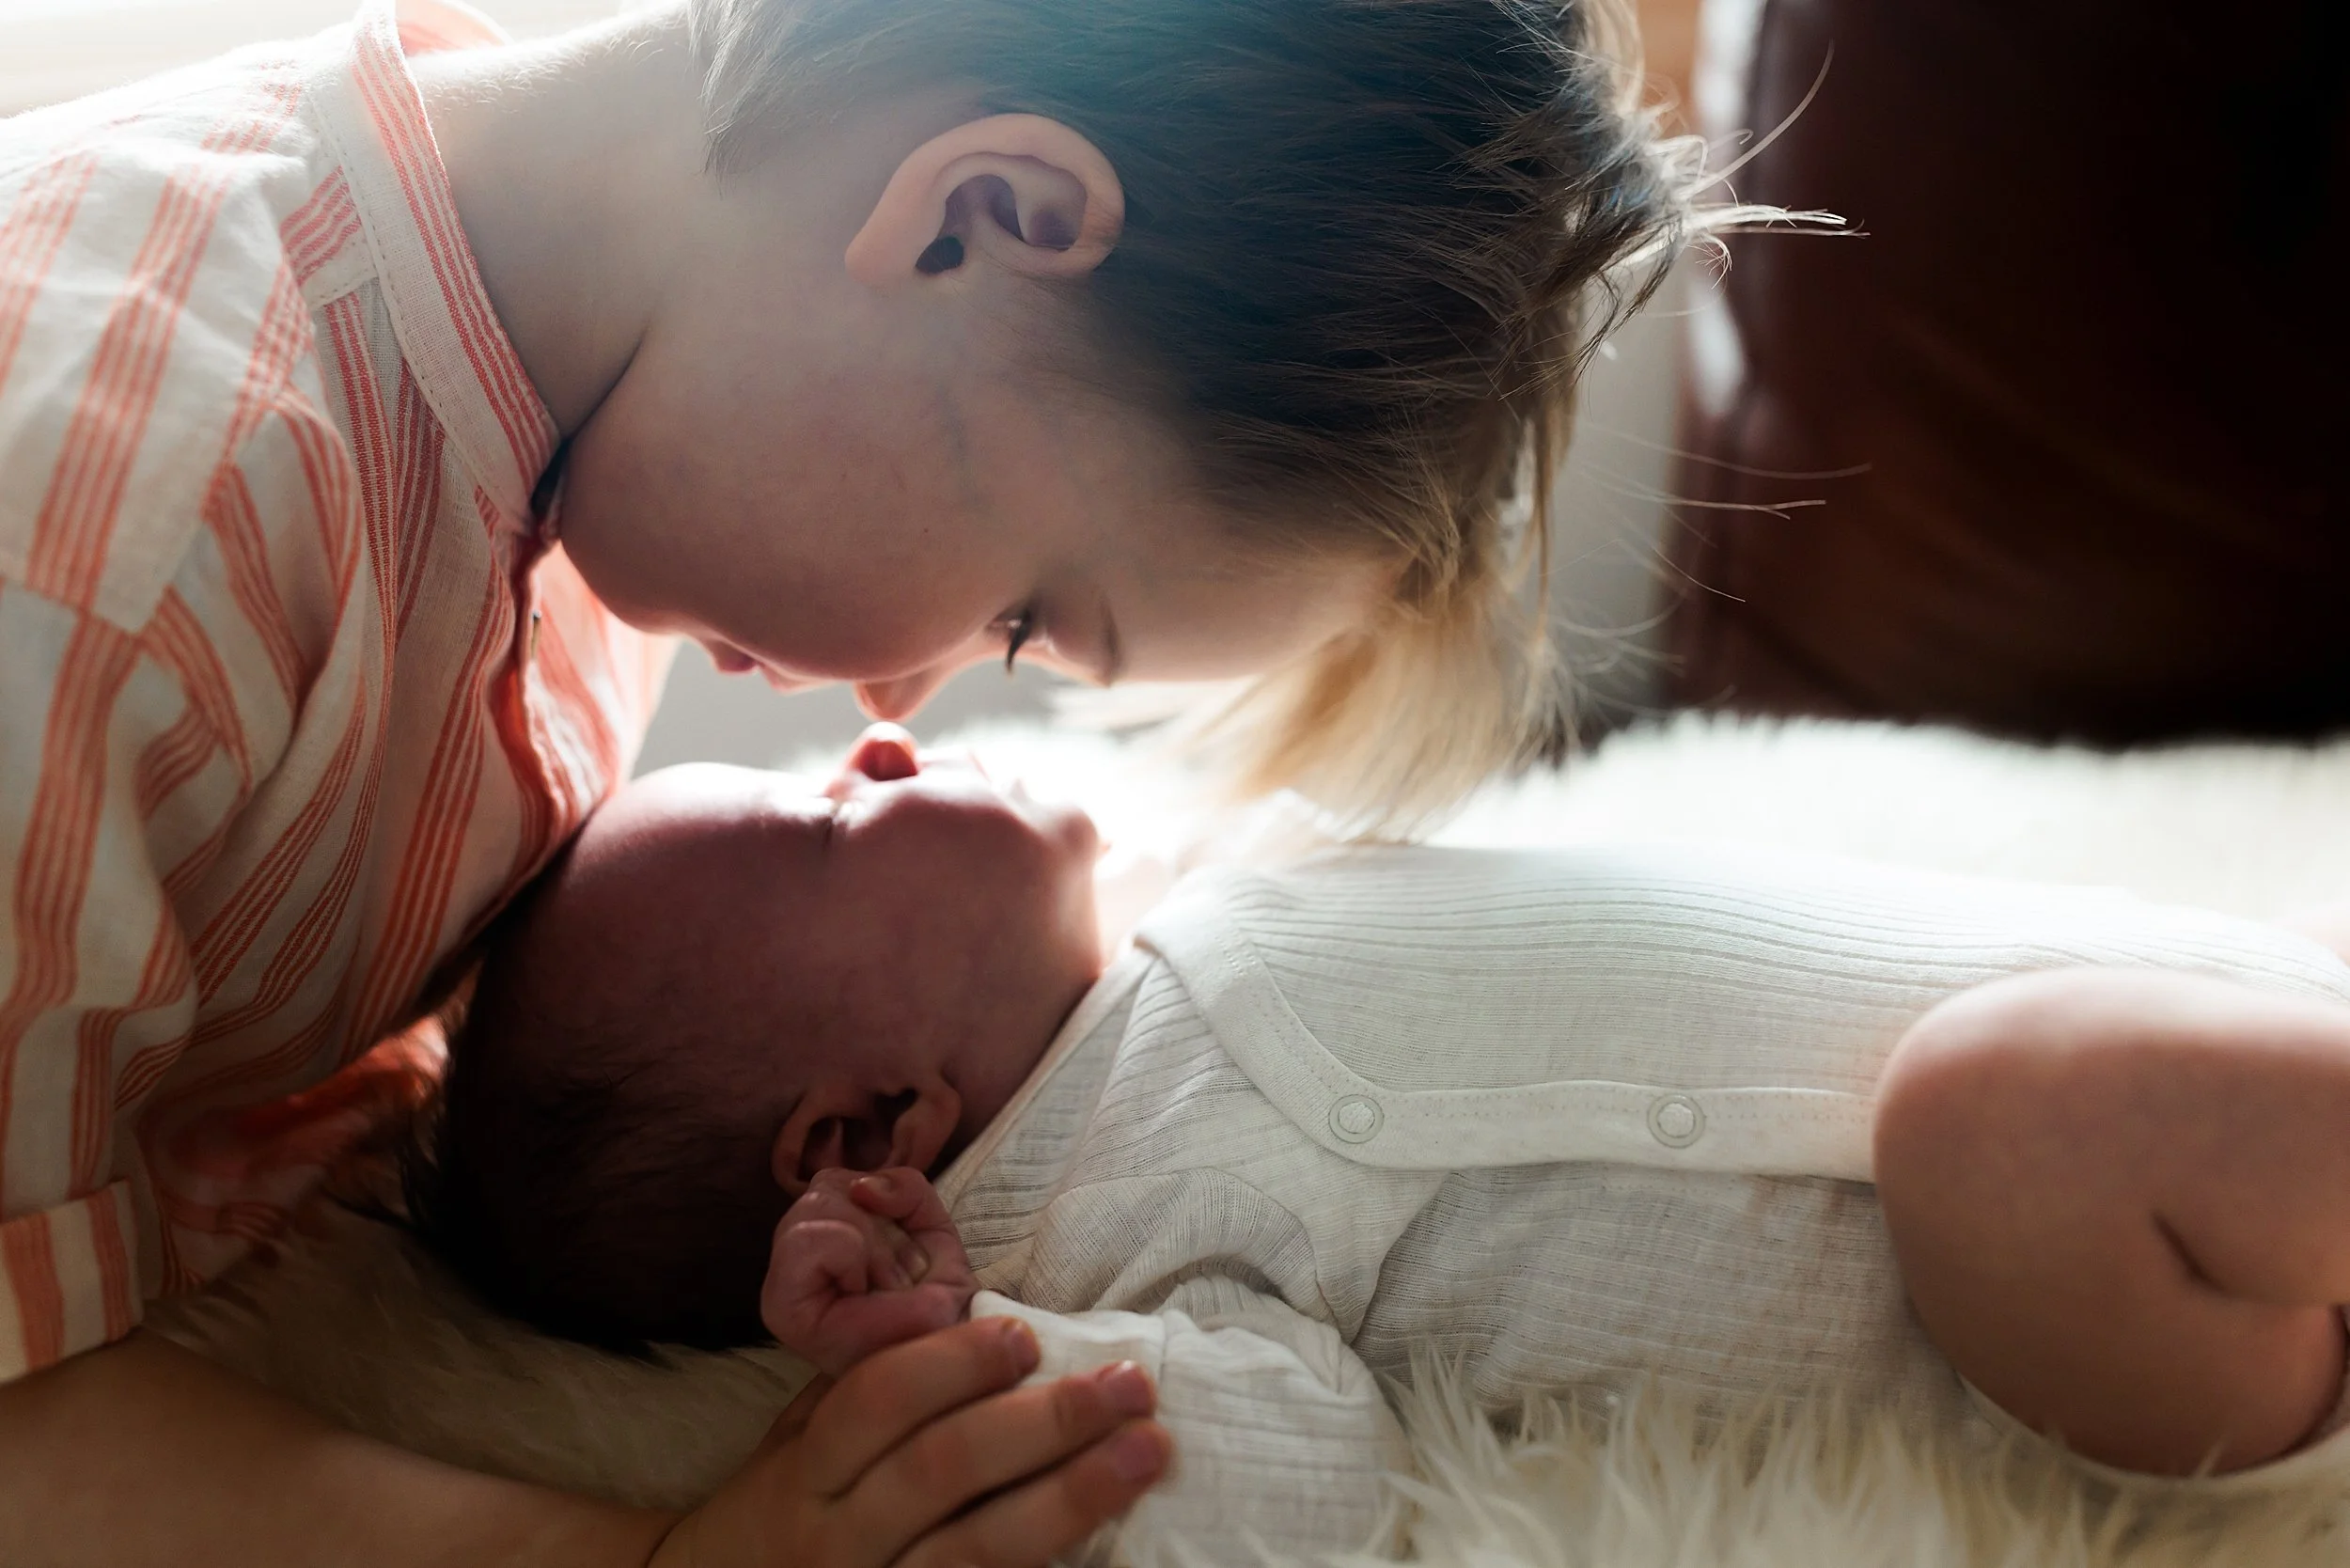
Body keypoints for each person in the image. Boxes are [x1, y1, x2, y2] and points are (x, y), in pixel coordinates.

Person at [0, 0, 1697, 1558]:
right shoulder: (126, 537)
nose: (898, 699)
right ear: (983, 217)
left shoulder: (560, 389)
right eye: (1024, 619)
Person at [414, 729, 2350, 1561]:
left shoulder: (1202, 912)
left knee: (2058, 1078)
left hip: (2195, 1041)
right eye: (825, 821)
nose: (886, 747)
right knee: (1997, 1120)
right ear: (870, 1126)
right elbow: (1301, 1487)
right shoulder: (1093, 1228)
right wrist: (996, 1355)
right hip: (2121, 1327)